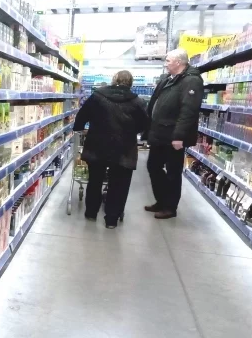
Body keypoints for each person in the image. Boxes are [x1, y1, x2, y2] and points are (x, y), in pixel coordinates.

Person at [73, 70, 148, 228]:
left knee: (95, 180)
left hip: (97, 145)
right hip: (124, 149)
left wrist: (79, 128)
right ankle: (112, 219)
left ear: (114, 80)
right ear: (131, 83)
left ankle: (91, 212)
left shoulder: (97, 96)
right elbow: (145, 125)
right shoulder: (137, 101)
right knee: (119, 184)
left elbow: (82, 116)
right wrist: (132, 132)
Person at [145, 48, 204, 219]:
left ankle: (170, 207)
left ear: (178, 62)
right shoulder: (167, 79)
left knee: (173, 172)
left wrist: (179, 136)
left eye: (168, 61)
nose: (165, 64)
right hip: (159, 132)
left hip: (173, 135)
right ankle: (161, 200)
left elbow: (188, 111)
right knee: (153, 166)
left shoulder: (191, 81)